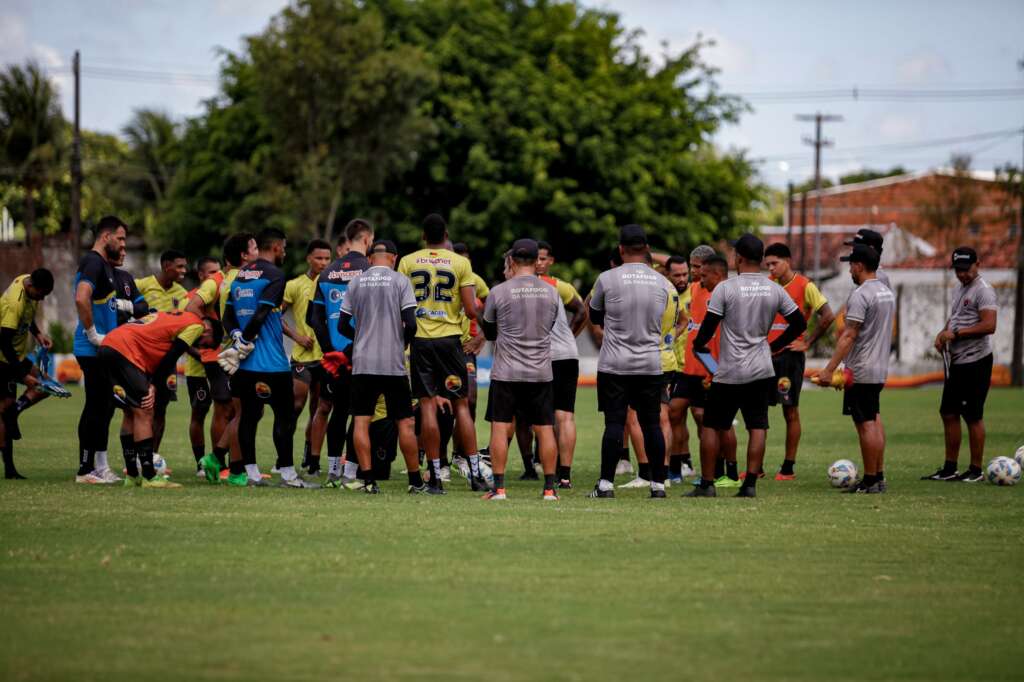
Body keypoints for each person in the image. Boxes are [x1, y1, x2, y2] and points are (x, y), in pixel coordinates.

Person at [686, 234, 806, 499]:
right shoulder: (774, 289)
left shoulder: (726, 289)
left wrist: (700, 345)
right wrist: (774, 345)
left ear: (738, 257)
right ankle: (750, 484)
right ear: (761, 259)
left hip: (729, 371)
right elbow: (799, 323)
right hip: (761, 369)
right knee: (757, 426)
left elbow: (708, 328)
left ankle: (707, 485)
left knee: (711, 425)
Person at [221, 228, 318, 488]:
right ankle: (288, 475)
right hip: (272, 364)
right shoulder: (274, 275)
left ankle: (252, 474)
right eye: (283, 248)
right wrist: (245, 341)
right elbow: (262, 314)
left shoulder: (240, 276)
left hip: (246, 364)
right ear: (275, 247)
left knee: (249, 416)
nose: (285, 252)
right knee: (284, 417)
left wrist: (237, 338)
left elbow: (227, 316)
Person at [398, 214, 488, 494]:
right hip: (450, 342)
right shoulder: (461, 263)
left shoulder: (408, 261)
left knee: (427, 407)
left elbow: (401, 307)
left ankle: (435, 476)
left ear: (423, 236)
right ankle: (475, 474)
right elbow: (471, 310)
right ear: (446, 235)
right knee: (461, 406)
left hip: (421, 342)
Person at [587, 225, 677, 499]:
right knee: (652, 425)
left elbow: (595, 315)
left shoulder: (607, 278)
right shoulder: (663, 282)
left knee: (614, 423)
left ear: (621, 249)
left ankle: (605, 485)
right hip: (650, 363)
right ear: (647, 249)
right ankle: (658, 485)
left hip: (615, 363)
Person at [338, 239, 427, 494]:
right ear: (394, 258)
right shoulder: (400, 281)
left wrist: (360, 339)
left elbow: (342, 325)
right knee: (405, 423)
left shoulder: (356, 282)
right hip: (392, 365)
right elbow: (411, 323)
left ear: (369, 259)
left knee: (361, 421)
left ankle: (368, 481)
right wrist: (402, 342)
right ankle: (415, 481)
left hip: (363, 364)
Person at [99, 310, 221, 488]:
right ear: (207, 331)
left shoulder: (176, 317)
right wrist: (154, 385)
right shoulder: (197, 326)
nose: (199, 347)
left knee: (130, 412)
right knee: (145, 411)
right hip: (125, 350)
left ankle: (132, 475)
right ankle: (149, 476)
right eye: (204, 344)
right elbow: (173, 354)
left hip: (109, 345)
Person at [479, 239, 561, 500]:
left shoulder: (498, 292)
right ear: (537, 261)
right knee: (545, 428)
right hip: (540, 371)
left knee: (500, 427)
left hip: (507, 371)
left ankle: (499, 488)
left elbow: (489, 331)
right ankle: (549, 489)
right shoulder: (552, 292)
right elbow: (549, 326)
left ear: (512, 261)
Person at [813, 243, 896, 494]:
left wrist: (829, 370)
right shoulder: (886, 291)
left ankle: (870, 480)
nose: (849, 270)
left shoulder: (861, 295)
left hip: (861, 369)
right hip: (879, 367)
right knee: (873, 420)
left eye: (851, 265)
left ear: (859, 266)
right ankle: (877, 476)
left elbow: (849, 335)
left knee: (865, 424)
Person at [923, 246, 998, 483]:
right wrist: (942, 333)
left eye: (966, 269)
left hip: (976, 361)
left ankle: (976, 470)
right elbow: (957, 317)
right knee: (948, 412)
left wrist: (955, 334)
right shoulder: (959, 288)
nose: (962, 274)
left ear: (978, 264)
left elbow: (989, 325)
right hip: (957, 362)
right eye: (958, 270)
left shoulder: (984, 290)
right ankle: (950, 468)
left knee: (972, 415)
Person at [188, 233, 258, 483]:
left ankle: (234, 464)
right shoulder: (216, 281)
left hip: (241, 354)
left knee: (244, 410)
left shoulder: (250, 278)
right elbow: (192, 307)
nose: (257, 251)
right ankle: (223, 465)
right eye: (254, 247)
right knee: (225, 410)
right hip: (221, 356)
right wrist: (211, 329)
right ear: (241, 255)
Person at [307, 219, 372, 487]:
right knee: (360, 414)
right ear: (367, 239)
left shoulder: (327, 273)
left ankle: (333, 472)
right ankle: (350, 473)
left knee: (338, 411)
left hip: (334, 359)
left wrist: (330, 352)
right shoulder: (370, 271)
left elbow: (314, 318)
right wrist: (348, 351)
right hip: (362, 354)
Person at [763, 242, 835, 480]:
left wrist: (808, 342)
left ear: (788, 261)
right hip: (765, 356)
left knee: (790, 410)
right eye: (767, 264)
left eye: (774, 263)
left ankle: (788, 468)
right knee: (758, 410)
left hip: (789, 358)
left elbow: (828, 316)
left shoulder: (805, 285)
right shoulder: (768, 285)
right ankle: (756, 468)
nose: (770, 268)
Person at [73, 216, 130, 484]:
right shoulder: (93, 261)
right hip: (91, 349)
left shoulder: (104, 265)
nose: (123, 244)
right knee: (96, 407)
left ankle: (99, 466)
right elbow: (80, 297)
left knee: (104, 407)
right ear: (106, 237)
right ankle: (85, 470)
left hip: (103, 349)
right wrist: (92, 333)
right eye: (120, 238)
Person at [537, 242, 586, 488]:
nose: (539, 262)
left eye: (543, 258)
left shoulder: (517, 287)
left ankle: (549, 468)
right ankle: (564, 475)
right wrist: (568, 337)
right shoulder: (558, 287)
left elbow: (582, 312)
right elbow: (582, 310)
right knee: (565, 415)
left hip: (541, 356)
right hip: (566, 355)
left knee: (545, 416)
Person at [134, 249, 189, 463]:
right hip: (142, 358)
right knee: (140, 408)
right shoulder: (142, 285)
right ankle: (138, 458)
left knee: (161, 409)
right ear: (166, 266)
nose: (184, 270)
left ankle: (153, 457)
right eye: (180, 266)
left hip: (167, 361)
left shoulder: (182, 294)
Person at [282, 239, 331, 475]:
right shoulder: (294, 285)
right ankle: (283, 456)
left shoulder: (331, 284)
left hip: (326, 357)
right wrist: (296, 336)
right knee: (296, 404)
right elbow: (274, 315)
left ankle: (311, 456)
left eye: (327, 258)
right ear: (308, 259)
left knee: (319, 408)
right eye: (319, 258)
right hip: (302, 357)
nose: (323, 263)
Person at [0, 269, 54, 479]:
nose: (43, 298)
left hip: (16, 355)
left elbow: (27, 317)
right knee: (4, 408)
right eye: (42, 294)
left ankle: (15, 411)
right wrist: (23, 376)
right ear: (32, 287)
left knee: (47, 384)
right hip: (3, 358)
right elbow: (4, 342)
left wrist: (38, 334)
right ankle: (10, 469)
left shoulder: (27, 283)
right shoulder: (15, 303)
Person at [183, 257, 221, 476]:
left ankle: (219, 461)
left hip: (220, 365)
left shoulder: (221, 297)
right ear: (200, 275)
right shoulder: (189, 300)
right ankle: (200, 463)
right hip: (197, 369)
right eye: (211, 272)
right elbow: (182, 337)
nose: (216, 276)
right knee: (199, 412)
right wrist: (202, 355)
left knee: (224, 411)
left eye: (218, 272)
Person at [664, 254, 693, 482]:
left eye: (685, 274)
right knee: (675, 416)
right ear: (667, 274)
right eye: (677, 275)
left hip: (698, 366)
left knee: (702, 418)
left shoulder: (698, 292)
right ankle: (678, 465)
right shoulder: (663, 293)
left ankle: (718, 470)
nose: (682, 279)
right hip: (675, 366)